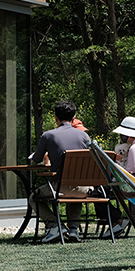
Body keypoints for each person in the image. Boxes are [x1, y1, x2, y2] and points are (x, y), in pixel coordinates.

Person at [29, 100, 92, 243]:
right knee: (75, 191)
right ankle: (74, 229)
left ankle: (54, 225)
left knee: (33, 197)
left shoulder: (48, 135)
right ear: (74, 117)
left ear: (56, 118)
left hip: (59, 187)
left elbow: (36, 159)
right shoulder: (84, 137)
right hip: (83, 189)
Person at [100, 116, 135, 238]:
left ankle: (116, 222)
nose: (121, 135)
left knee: (98, 193)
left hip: (132, 187)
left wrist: (114, 164)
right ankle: (117, 222)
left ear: (129, 134)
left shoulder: (134, 148)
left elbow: (129, 172)